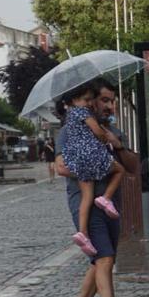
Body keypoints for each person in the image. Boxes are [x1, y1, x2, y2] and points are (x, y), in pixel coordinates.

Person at [56, 78, 137, 297]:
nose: (108, 106)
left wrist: (117, 145)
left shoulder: (111, 130)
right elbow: (60, 167)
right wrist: (95, 166)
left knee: (103, 258)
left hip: (111, 203)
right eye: (103, 100)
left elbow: (133, 168)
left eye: (111, 101)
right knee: (104, 259)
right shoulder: (70, 130)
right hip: (87, 202)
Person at [57, 83, 126, 257]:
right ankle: (106, 198)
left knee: (86, 198)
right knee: (119, 170)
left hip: (78, 162)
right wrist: (105, 138)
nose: (89, 103)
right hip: (92, 156)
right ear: (75, 99)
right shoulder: (85, 113)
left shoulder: (69, 117)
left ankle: (82, 232)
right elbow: (96, 131)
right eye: (87, 99)